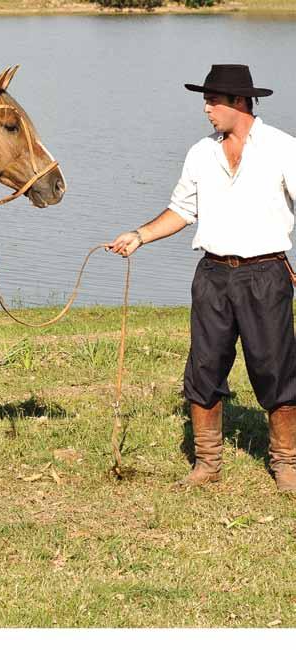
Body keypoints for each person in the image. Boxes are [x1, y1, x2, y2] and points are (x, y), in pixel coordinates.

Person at [107, 64, 296, 493]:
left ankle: (286, 464)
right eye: (206, 101)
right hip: (212, 275)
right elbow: (182, 210)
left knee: (275, 368)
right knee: (204, 367)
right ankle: (206, 464)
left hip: (266, 273)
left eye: (213, 101)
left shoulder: (283, 148)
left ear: (239, 103)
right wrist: (140, 235)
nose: (207, 109)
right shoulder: (200, 153)